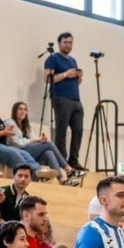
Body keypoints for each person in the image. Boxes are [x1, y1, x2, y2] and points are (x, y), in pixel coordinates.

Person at [6, 101, 78, 185]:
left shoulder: (26, 125)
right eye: (20, 109)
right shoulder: (10, 123)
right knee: (49, 143)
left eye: (25, 110)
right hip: (18, 151)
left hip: (28, 151)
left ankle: (62, 180)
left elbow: (33, 139)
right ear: (15, 111)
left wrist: (40, 140)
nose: (23, 111)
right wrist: (37, 140)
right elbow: (16, 142)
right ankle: (68, 169)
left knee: (49, 153)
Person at [44, 32, 85, 171]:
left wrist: (79, 77)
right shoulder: (53, 59)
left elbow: (76, 82)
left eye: (70, 42)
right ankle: (61, 159)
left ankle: (74, 160)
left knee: (78, 130)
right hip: (61, 98)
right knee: (61, 130)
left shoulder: (73, 60)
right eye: (65, 42)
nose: (68, 45)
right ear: (59, 43)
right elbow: (48, 79)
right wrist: (66, 74)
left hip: (75, 99)